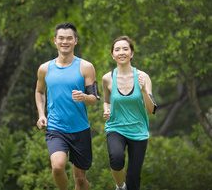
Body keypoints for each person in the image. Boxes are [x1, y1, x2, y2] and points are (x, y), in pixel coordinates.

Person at [35, 22, 100, 190]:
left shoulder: (86, 67)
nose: (65, 42)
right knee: (57, 167)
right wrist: (42, 114)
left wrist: (85, 97)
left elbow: (94, 99)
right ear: (55, 40)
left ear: (75, 41)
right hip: (56, 128)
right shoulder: (45, 68)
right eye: (61, 38)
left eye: (69, 38)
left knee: (80, 179)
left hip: (80, 129)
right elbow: (39, 92)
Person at [102, 36, 157, 190]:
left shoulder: (143, 77)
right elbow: (107, 101)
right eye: (117, 49)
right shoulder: (107, 78)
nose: (122, 52)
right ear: (113, 55)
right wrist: (106, 110)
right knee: (116, 158)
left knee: (134, 178)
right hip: (116, 127)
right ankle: (120, 187)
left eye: (125, 49)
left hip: (138, 130)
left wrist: (144, 91)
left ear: (132, 53)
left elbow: (150, 110)